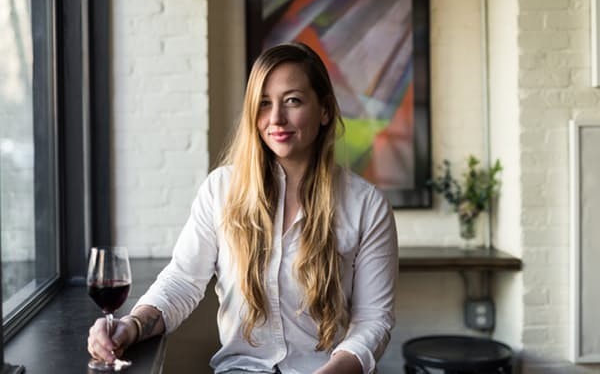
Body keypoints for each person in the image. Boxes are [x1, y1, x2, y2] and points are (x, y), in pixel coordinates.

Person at [87, 42, 398, 374]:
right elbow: (183, 281)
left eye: (292, 101)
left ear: (324, 110)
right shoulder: (220, 190)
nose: (276, 118)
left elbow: (373, 319)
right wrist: (132, 325)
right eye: (263, 103)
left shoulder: (367, 206)